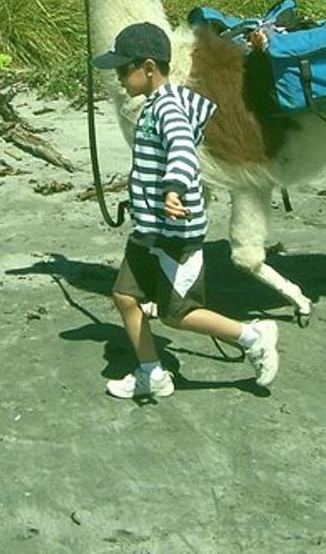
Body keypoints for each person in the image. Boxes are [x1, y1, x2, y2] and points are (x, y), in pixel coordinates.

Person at [92, 22, 280, 399]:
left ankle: (252, 336)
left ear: (148, 68)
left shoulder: (170, 109)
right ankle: (152, 373)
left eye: (122, 69)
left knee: (178, 314)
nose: (117, 77)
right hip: (149, 230)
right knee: (125, 296)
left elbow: (180, 149)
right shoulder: (155, 105)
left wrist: (174, 189)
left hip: (175, 235)